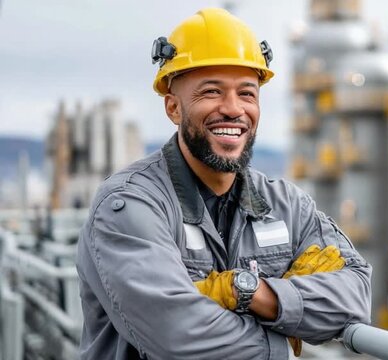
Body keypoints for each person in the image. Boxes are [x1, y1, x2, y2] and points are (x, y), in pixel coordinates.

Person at [76, 7, 372, 360]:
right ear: (173, 108)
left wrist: (252, 293)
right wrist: (281, 343)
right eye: (212, 92)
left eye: (247, 93)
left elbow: (355, 295)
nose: (233, 109)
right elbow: (176, 335)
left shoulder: (286, 205)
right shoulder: (129, 205)